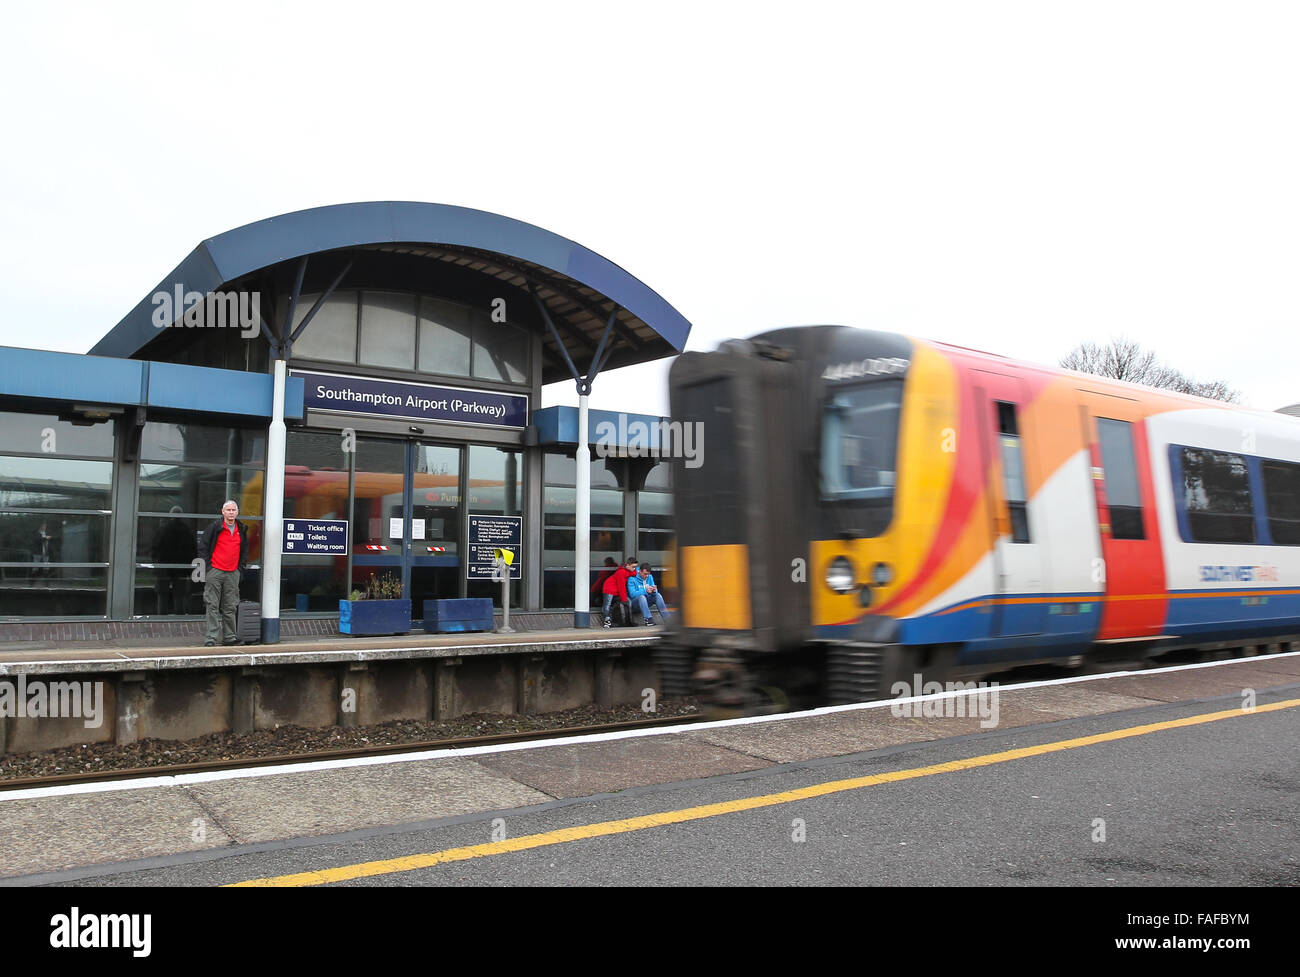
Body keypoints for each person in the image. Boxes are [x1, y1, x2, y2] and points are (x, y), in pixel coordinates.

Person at [201, 500, 250, 646]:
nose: (231, 512)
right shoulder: (215, 527)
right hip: (215, 570)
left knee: (230, 606)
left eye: (233, 510)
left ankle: (229, 637)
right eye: (228, 510)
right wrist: (209, 567)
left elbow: (244, 550)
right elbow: (203, 546)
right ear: (222, 512)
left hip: (232, 572)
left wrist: (240, 568)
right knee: (212, 605)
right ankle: (211, 638)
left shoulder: (241, 529)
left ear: (237, 512)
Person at [601, 556, 638, 628]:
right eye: (633, 567)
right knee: (607, 604)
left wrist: (624, 599)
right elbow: (621, 587)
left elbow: (634, 573)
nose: (634, 569)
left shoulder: (627, 571)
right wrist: (624, 599)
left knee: (609, 604)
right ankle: (607, 621)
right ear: (627, 565)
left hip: (614, 589)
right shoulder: (621, 573)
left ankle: (611, 620)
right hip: (609, 588)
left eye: (635, 567)